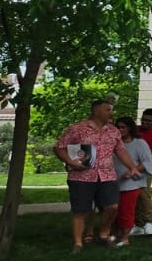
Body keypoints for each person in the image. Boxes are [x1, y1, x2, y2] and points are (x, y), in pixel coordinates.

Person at [55, 98, 142, 251]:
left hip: (107, 175)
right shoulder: (77, 129)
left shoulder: (113, 131)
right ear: (96, 110)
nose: (111, 113)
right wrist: (71, 162)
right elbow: (59, 147)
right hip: (81, 177)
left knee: (112, 207)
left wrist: (132, 167)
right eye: (107, 109)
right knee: (80, 210)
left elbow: (120, 150)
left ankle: (103, 234)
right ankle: (78, 243)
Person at [108, 117, 152, 247]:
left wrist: (132, 170)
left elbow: (146, 161)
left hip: (131, 183)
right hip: (113, 181)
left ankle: (125, 237)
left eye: (123, 127)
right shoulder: (112, 143)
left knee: (126, 211)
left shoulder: (139, 143)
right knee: (111, 211)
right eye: (118, 127)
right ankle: (113, 234)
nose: (120, 130)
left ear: (130, 128)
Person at [131, 108, 152, 236]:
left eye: (149, 121)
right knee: (132, 196)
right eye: (143, 120)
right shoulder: (134, 130)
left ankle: (148, 222)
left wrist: (136, 168)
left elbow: (149, 155)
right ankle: (136, 223)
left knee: (144, 195)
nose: (145, 123)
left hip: (144, 169)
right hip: (128, 166)